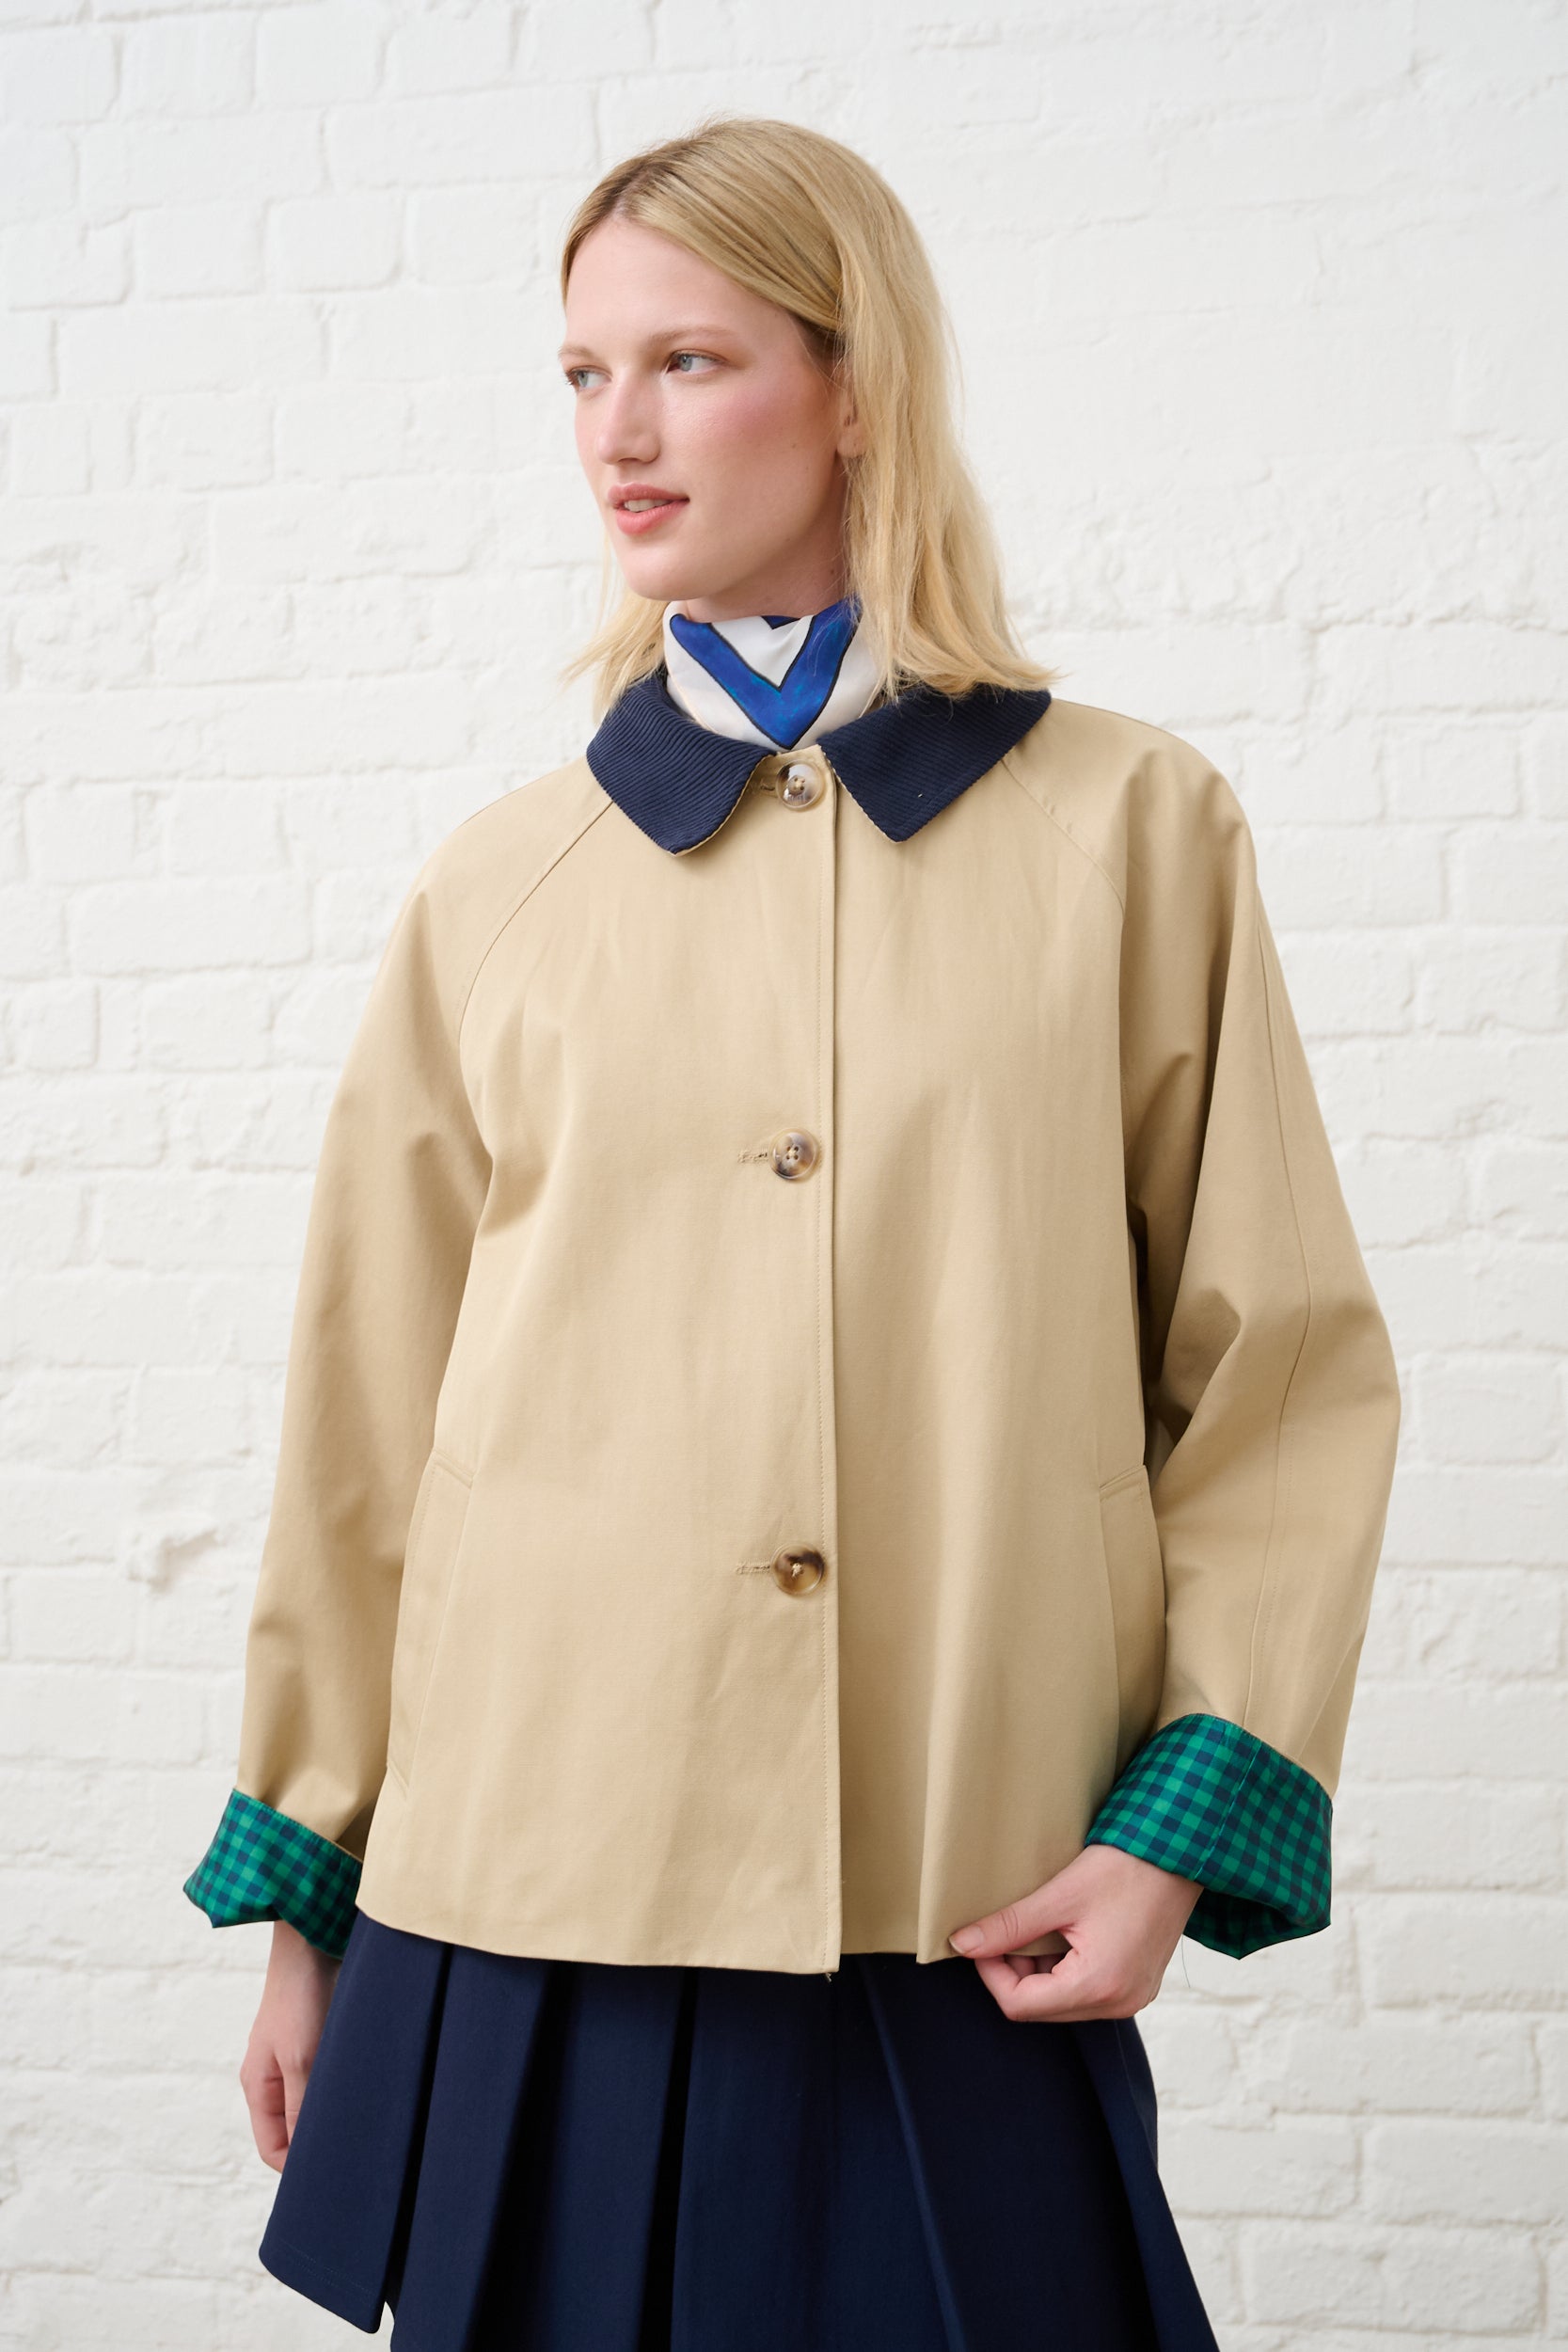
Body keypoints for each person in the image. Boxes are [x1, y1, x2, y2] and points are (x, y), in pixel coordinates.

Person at [182, 116, 1402, 2350]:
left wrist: (1175, 1821)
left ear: (855, 388)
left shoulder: (1132, 834)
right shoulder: (502, 888)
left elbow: (1279, 1367)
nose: (617, 435)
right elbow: (368, 1430)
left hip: (962, 1882)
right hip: (525, 1885)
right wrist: (308, 1899)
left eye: (689, 361)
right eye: (582, 374)